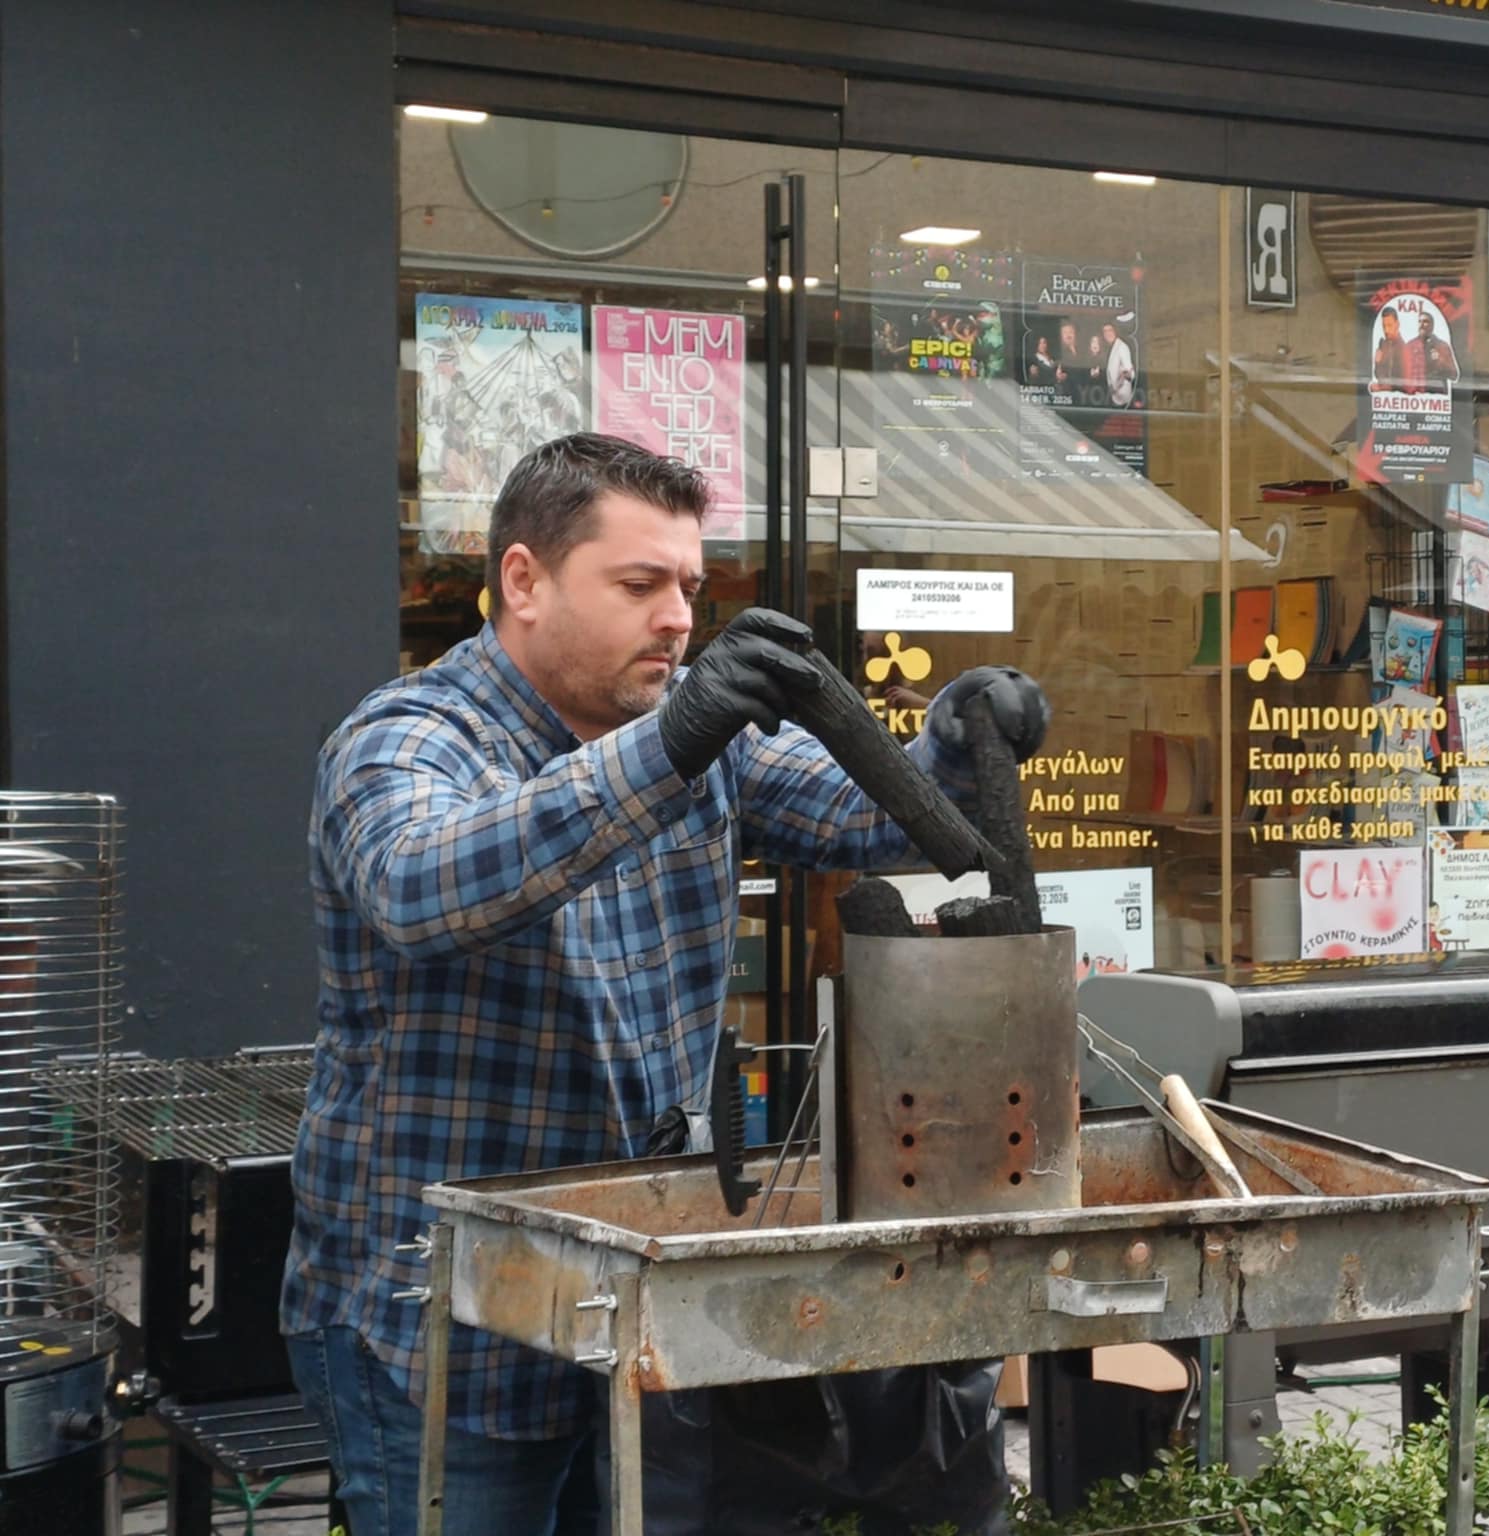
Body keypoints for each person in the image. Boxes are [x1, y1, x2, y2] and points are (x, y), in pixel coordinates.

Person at [283, 432, 1049, 1536]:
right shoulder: (406, 739)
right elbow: (422, 887)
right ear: (523, 580)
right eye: (639, 584)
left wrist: (959, 745)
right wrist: (671, 745)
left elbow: (864, 813)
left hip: (629, 1306)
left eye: (688, 586)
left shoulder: (696, 734)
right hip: (443, 1326)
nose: (679, 618)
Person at [1102, 318, 1137, 408]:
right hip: (1114, 397)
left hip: (1123, 399)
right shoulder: (1110, 348)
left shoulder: (1122, 347)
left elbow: (1130, 372)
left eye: (1110, 330)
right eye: (1105, 331)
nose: (1107, 334)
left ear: (1115, 331)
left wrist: (1127, 375)